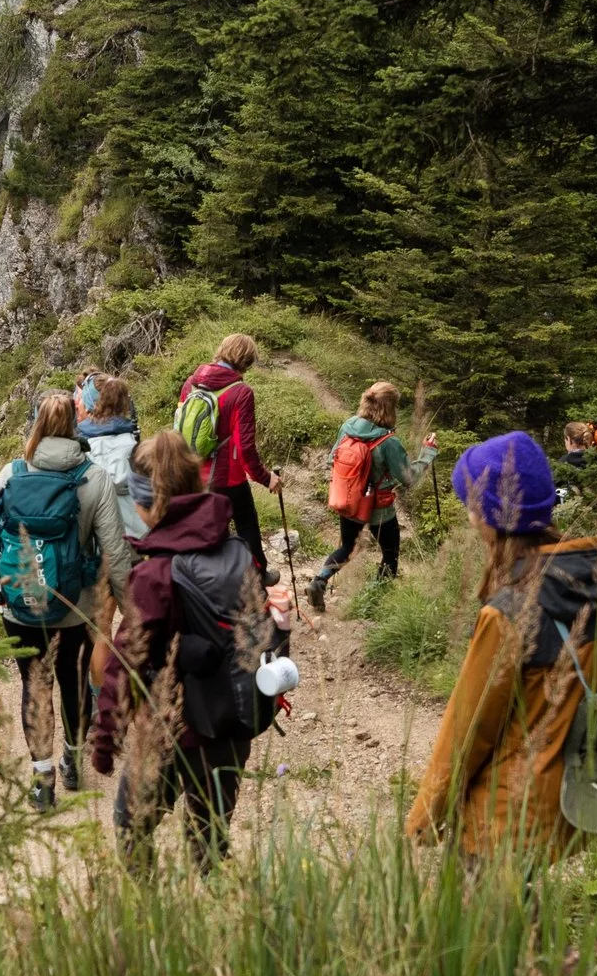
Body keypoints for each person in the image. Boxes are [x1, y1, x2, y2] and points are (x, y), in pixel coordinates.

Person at [404, 431, 597, 862]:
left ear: (489, 515)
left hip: (500, 813)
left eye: (470, 506)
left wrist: (425, 816)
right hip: (562, 792)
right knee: (515, 912)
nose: (468, 517)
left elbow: (468, 729)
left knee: (478, 921)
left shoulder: (506, 614)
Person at [90, 429, 256, 872]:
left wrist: (105, 740)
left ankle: (153, 924)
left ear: (148, 503)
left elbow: (125, 666)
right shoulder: (235, 549)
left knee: (132, 826)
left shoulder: (155, 575)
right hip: (232, 724)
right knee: (210, 843)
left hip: (171, 732)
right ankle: (223, 930)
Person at [0, 391, 134, 812]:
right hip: (76, 608)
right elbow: (114, 550)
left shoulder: (11, 473)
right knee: (72, 682)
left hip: (18, 606)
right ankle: (72, 758)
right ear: (75, 423)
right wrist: (128, 607)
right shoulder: (94, 478)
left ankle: (42, 781)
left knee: (35, 685)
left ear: (34, 424)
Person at [307, 380, 436, 608]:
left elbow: (332, 460)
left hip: (349, 501)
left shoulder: (348, 426)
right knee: (390, 553)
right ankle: (376, 604)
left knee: (347, 547)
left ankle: (319, 581)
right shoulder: (388, 442)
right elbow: (409, 478)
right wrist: (427, 453)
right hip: (380, 510)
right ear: (389, 408)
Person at [175, 333, 282, 586]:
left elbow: (179, 426)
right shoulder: (241, 392)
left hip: (192, 474)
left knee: (210, 534)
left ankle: (210, 588)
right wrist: (266, 478)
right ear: (245, 361)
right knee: (246, 526)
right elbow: (245, 448)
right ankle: (256, 581)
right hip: (227, 479)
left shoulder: (192, 382)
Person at [77, 373, 147, 541]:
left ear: (89, 405)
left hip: (102, 541)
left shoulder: (82, 448)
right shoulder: (135, 443)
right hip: (140, 535)